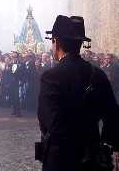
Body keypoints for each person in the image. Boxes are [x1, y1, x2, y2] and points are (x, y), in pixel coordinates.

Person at [37, 15, 119, 171]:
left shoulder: (51, 77)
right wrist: (111, 146)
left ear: (56, 41)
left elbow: (49, 123)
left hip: (60, 159)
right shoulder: (98, 74)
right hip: (92, 159)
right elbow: (113, 116)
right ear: (81, 43)